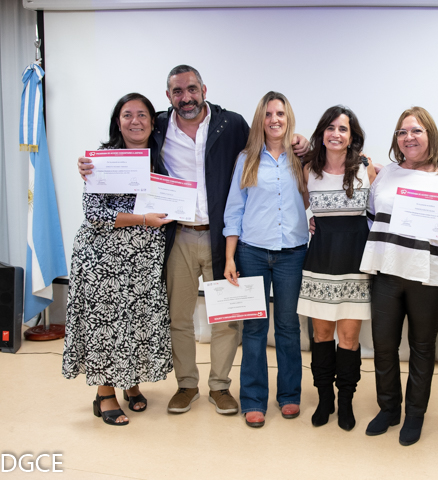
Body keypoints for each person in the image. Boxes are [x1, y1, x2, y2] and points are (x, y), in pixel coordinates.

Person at [78, 65, 309, 417]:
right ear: (168, 96)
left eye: (191, 89)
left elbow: (268, 141)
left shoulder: (230, 124)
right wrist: (90, 166)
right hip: (178, 236)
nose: (186, 97)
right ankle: (186, 385)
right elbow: (122, 149)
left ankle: (220, 386)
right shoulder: (156, 126)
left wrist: (301, 140)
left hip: (219, 237)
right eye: (177, 91)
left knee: (227, 318)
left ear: (204, 89)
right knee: (179, 316)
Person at [360, 106, 438, 446]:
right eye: (402, 132)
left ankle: (414, 415)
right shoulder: (386, 174)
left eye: (416, 131)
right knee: (383, 343)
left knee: (422, 348)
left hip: (431, 276)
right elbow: (371, 217)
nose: (408, 137)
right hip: (387, 268)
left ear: (430, 136)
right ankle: (389, 408)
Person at [63, 93, 174, 426]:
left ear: (153, 122)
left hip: (144, 259)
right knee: (106, 324)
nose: (135, 121)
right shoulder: (102, 161)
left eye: (142, 115)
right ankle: (105, 394)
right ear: (118, 122)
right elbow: (94, 214)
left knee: (136, 322)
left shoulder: (162, 158)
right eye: (127, 115)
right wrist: (143, 220)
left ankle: (131, 382)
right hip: (103, 260)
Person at [224, 91, 308, 428]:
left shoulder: (301, 158)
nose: (275, 119)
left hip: (292, 254)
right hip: (252, 252)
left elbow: (315, 195)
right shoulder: (246, 159)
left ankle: (289, 395)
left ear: (289, 119)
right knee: (255, 328)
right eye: (269, 114)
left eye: (280, 114)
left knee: (288, 327)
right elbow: (234, 210)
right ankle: (253, 399)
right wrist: (230, 258)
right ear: (261, 119)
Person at [297, 105, 376, 431]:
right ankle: (324, 398)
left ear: (351, 136)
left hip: (354, 263)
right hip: (320, 260)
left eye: (343, 128)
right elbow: (298, 208)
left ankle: (345, 400)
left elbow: (380, 211)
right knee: (321, 335)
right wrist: (309, 221)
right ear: (322, 132)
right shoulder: (308, 170)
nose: (336, 134)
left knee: (348, 338)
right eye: (330, 128)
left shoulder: (367, 168)